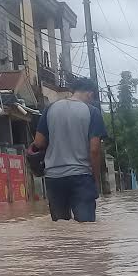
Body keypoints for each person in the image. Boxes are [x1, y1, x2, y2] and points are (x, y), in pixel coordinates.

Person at [32, 77, 107, 222]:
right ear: (90, 94)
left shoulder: (50, 109)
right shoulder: (92, 112)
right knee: (86, 229)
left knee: (61, 229)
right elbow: (95, 150)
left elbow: (38, 143)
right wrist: (95, 179)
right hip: (81, 177)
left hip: (54, 177)